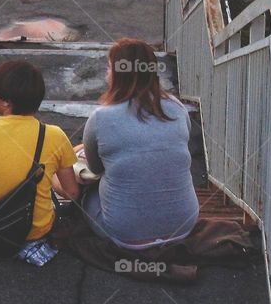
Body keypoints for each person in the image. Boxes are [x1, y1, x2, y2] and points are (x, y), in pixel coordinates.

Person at [0, 59, 79, 266]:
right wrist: (50, 179)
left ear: (6, 102)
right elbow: (72, 193)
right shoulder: (55, 135)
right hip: (36, 233)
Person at [77, 38, 199, 249]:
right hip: (184, 225)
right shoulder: (178, 109)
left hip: (126, 236)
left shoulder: (100, 118)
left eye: (109, 68)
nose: (107, 74)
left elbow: (95, 169)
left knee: (85, 191)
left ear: (118, 73)